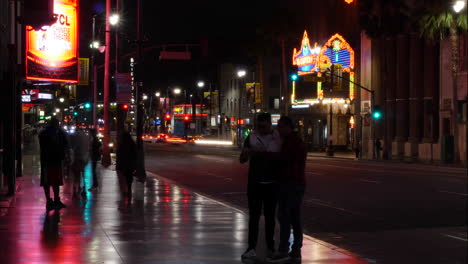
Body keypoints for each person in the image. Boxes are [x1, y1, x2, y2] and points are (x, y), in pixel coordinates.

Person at [239, 113, 282, 262]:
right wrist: (246, 153)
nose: (261, 129)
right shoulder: (251, 137)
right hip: (255, 183)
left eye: (264, 126)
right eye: (259, 126)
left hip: (272, 183)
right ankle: (251, 248)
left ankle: (270, 247)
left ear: (270, 124)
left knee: (271, 218)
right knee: (254, 217)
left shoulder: (278, 138)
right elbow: (242, 159)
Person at [268, 116, 307, 263]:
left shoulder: (292, 143)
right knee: (292, 217)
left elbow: (284, 161)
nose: (278, 129)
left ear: (287, 127)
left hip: (291, 183)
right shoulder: (290, 141)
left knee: (285, 216)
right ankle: (294, 249)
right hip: (291, 183)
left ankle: (285, 248)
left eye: (280, 126)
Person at [39, 118, 69, 210]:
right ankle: (55, 199)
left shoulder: (44, 133)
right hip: (55, 160)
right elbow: (65, 143)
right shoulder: (59, 133)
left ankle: (49, 200)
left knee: (47, 181)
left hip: (47, 160)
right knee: (55, 181)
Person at [116, 131, 137, 200]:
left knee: (123, 177)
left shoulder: (122, 144)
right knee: (129, 177)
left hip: (124, 164)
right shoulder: (132, 143)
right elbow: (135, 154)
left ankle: (125, 190)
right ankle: (129, 189)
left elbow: (119, 155)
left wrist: (119, 164)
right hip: (130, 164)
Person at [69, 128, 88, 197]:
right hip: (81, 160)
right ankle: (82, 188)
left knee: (76, 176)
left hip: (76, 160)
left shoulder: (74, 145)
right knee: (82, 175)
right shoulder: (84, 140)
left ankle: (75, 189)